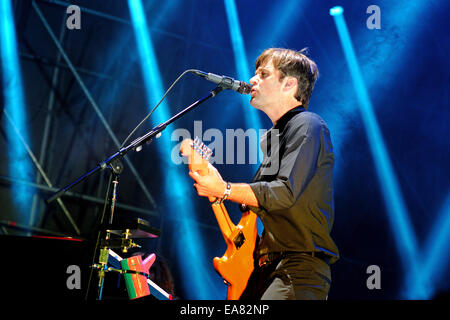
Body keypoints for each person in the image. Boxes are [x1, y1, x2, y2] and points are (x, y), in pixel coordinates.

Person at [189, 48, 339, 300]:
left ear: (289, 84)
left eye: (263, 74)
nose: (251, 80)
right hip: (266, 271)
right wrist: (215, 181)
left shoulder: (308, 124)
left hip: (297, 269)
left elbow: (284, 192)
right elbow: (259, 205)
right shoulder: (275, 137)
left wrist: (224, 189)